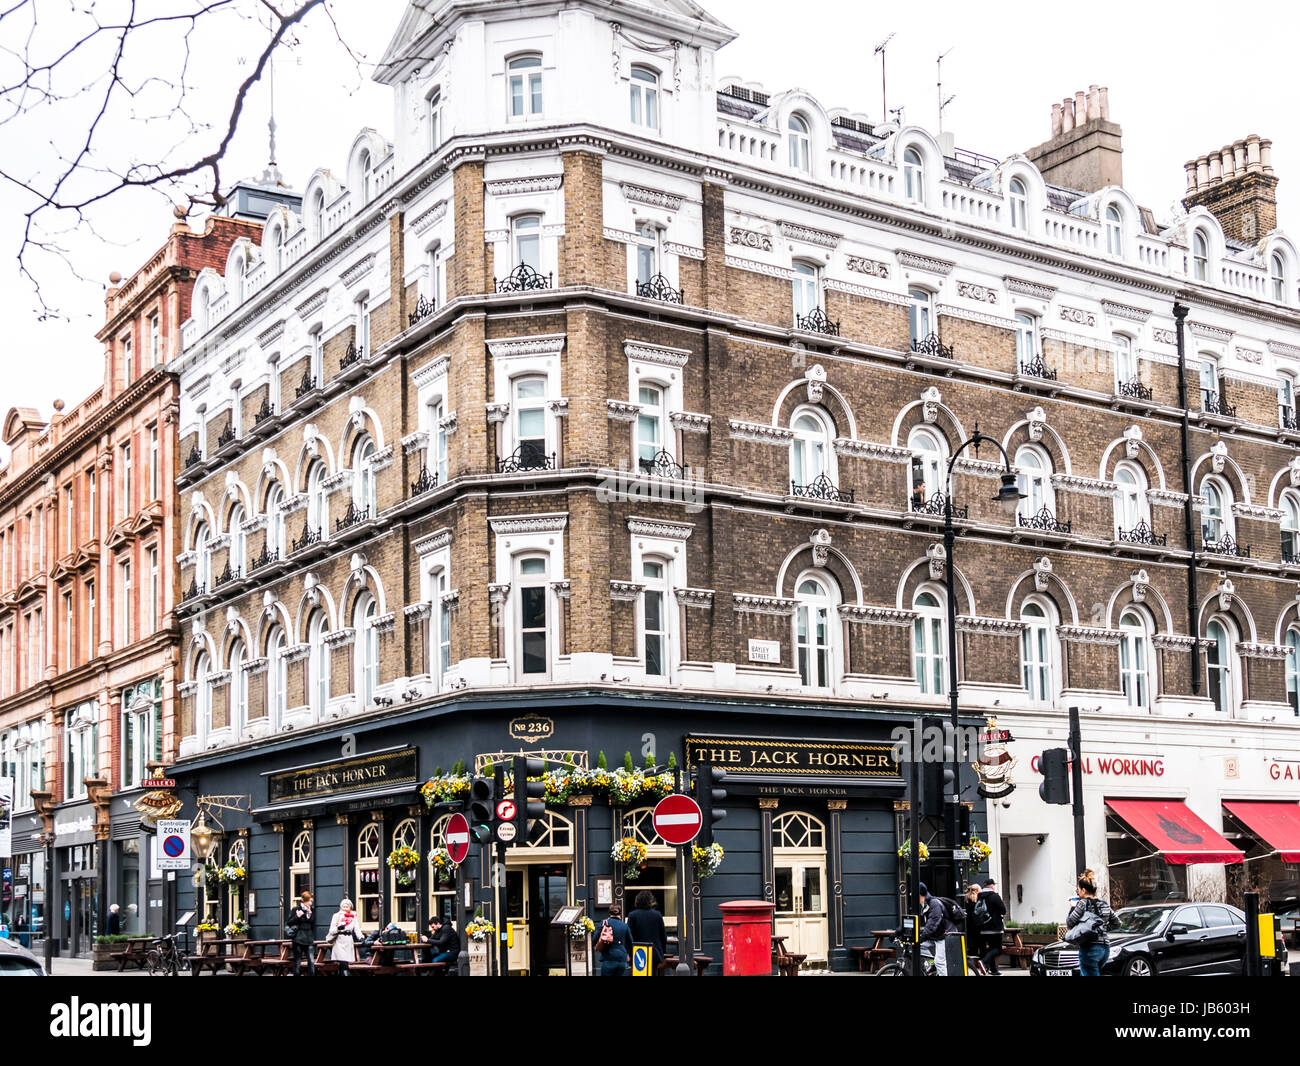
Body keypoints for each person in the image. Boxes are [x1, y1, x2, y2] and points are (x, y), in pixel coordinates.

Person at [1066, 872, 1117, 977]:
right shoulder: (1104, 904)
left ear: (1084, 890)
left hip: (1090, 948)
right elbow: (1117, 923)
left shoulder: (1082, 904)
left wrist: (1072, 907)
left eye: (1078, 890)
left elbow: (1070, 923)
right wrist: (1102, 928)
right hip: (1104, 949)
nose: (1078, 892)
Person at [917, 882, 960, 976]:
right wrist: (898, 932)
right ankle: (932, 965)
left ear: (920, 894)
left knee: (939, 962)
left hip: (946, 934)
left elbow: (933, 923)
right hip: (936, 935)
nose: (910, 894)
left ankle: (936, 965)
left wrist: (922, 936)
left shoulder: (934, 904)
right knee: (917, 947)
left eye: (913, 892)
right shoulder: (923, 905)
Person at [625, 891, 667, 974]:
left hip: (638, 952)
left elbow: (628, 936)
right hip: (654, 952)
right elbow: (663, 936)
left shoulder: (632, 915)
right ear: (650, 901)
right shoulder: (657, 915)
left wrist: (628, 952)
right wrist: (662, 951)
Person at [593, 904, 634, 976]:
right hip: (622, 959)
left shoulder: (604, 923)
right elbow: (631, 942)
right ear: (620, 913)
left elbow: (594, 939)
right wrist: (627, 953)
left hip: (608, 958)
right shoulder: (624, 925)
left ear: (609, 913)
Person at [977, 877, 1007, 974]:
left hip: (983, 927)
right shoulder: (995, 896)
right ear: (991, 886)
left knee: (991, 948)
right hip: (995, 927)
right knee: (998, 949)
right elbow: (1004, 911)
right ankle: (983, 961)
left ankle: (993, 970)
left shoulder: (980, 896)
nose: (994, 887)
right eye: (994, 885)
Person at [327, 898, 362, 976]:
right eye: (344, 906)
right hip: (339, 940)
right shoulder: (336, 916)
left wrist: (361, 937)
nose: (345, 908)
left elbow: (357, 929)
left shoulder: (353, 917)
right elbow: (331, 931)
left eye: (347, 906)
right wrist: (338, 928)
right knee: (342, 962)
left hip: (348, 940)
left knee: (346, 962)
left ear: (350, 907)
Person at [287, 890, 315, 976]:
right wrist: (297, 916)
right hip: (298, 938)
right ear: (304, 900)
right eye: (309, 901)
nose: (311, 903)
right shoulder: (296, 909)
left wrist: (309, 915)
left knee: (311, 961)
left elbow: (312, 923)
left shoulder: (311, 909)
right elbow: (289, 922)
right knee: (298, 961)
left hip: (309, 938)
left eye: (311, 901)